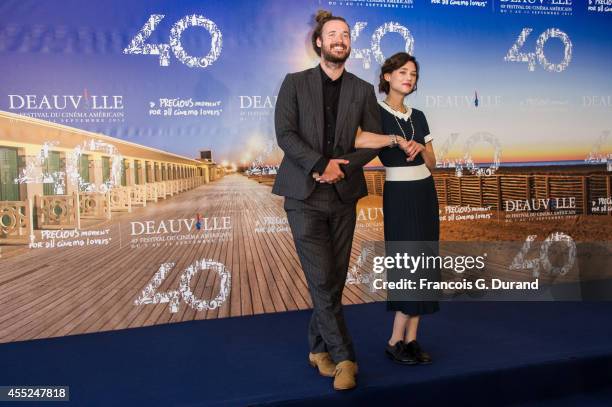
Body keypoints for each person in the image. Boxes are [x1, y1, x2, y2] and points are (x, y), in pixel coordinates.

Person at [272, 10, 382, 391]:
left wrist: (342, 168)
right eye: (333, 34)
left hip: (343, 195)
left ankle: (317, 349)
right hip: (303, 196)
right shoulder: (294, 83)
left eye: (346, 34)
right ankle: (345, 358)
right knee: (321, 278)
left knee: (333, 280)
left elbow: (369, 140)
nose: (340, 39)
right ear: (318, 42)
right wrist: (320, 164)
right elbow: (285, 134)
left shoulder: (363, 89)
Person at [355, 52, 440, 365]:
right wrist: (393, 139)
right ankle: (394, 341)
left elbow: (434, 162)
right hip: (400, 193)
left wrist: (421, 149)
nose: (409, 78)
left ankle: (412, 340)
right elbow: (359, 140)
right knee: (407, 263)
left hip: (424, 191)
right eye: (402, 71)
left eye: (414, 74)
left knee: (425, 263)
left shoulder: (419, 116)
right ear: (387, 76)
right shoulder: (375, 111)